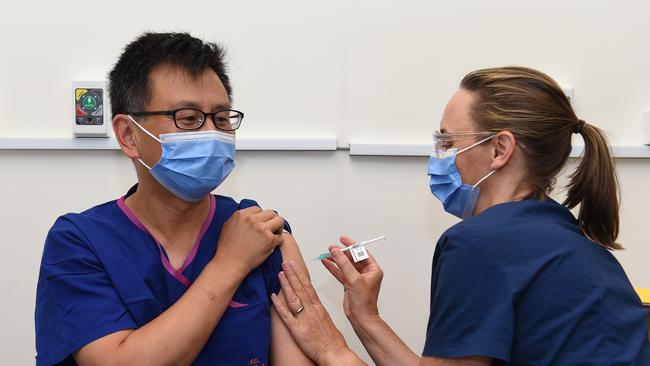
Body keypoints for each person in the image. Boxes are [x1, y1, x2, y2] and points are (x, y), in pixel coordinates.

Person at [270, 67, 650, 365]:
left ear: (500, 148)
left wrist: (331, 350)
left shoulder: (480, 244)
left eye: (448, 142)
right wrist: (363, 315)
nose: (439, 157)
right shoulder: (563, 234)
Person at [35, 32, 314, 365]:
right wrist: (230, 263)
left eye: (222, 118)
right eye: (188, 118)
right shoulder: (80, 243)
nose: (211, 133)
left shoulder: (263, 230)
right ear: (129, 135)